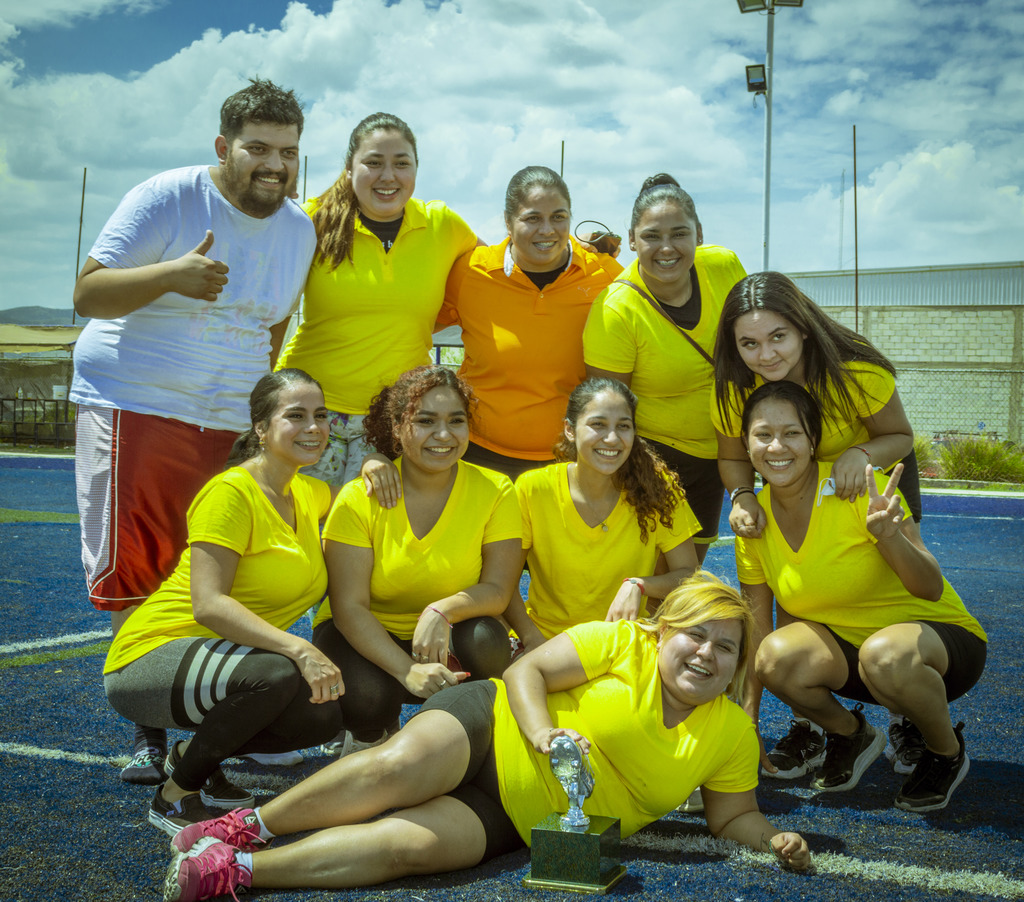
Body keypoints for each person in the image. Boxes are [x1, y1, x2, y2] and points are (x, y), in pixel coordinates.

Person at [162, 572, 812, 900]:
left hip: (521, 817)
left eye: (725, 647)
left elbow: (734, 818)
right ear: (663, 630)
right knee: (395, 768)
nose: (706, 654)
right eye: (696, 634)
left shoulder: (731, 732)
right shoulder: (620, 642)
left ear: (737, 664)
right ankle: (249, 825)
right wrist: (545, 735)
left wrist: (772, 838)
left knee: (407, 851)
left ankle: (235, 872)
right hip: (493, 725)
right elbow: (527, 669)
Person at [70, 78, 317, 784]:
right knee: (141, 570)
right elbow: (87, 292)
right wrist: (171, 274)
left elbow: (272, 330)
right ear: (223, 146)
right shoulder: (169, 196)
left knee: (219, 571)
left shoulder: (298, 229)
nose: (275, 164)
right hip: (138, 402)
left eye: (289, 151)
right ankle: (149, 732)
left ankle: (223, 718)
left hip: (229, 419)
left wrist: (257, 418)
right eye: (259, 148)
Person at [103, 370, 344, 836]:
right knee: (277, 673)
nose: (314, 427)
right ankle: (174, 798)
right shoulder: (231, 493)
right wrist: (301, 648)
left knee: (322, 713)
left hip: (218, 663)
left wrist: (375, 469)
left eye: (321, 416)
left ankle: (188, 760)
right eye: (296, 416)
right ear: (261, 427)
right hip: (151, 656)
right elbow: (208, 606)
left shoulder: (305, 491)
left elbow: (353, 496)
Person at [734, 382, 986, 812]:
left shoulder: (858, 489)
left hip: (934, 651)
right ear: (747, 444)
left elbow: (930, 588)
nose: (777, 446)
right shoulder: (753, 520)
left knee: (884, 654)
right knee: (775, 657)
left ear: (813, 440)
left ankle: (945, 752)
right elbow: (756, 628)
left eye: (792, 433)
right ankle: (853, 735)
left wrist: (890, 537)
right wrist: (746, 718)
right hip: (856, 657)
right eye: (763, 435)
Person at [711, 270, 921, 777]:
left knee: (886, 585)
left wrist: (860, 452)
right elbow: (733, 458)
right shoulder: (732, 390)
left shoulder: (855, 374)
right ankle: (810, 725)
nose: (765, 355)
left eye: (777, 337)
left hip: (863, 486)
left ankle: (907, 714)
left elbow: (900, 435)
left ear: (803, 329)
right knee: (790, 598)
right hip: (789, 494)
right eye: (749, 343)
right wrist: (742, 496)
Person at [308, 366, 522, 753]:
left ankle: (456, 737)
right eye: (425, 421)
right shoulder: (359, 498)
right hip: (366, 630)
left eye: (456, 421)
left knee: (486, 642)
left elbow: (497, 590)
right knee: (366, 695)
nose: (443, 435)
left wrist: (442, 611)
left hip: (449, 630)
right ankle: (371, 732)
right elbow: (349, 608)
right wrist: (407, 671)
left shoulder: (496, 489)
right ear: (395, 426)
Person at [276, 112, 478, 488]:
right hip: (313, 414)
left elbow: (501, 268)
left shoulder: (443, 225)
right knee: (301, 530)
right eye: (373, 163)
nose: (388, 176)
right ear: (350, 168)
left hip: (393, 420)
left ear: (416, 169)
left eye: (401, 163)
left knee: (372, 539)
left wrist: (582, 252)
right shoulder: (312, 221)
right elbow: (265, 305)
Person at [583, 174, 747, 562]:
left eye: (679, 233)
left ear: (699, 234)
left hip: (724, 452)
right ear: (633, 239)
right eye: (652, 236)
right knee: (647, 576)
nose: (667, 248)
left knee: (684, 583)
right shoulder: (615, 310)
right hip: (654, 459)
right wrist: (637, 478)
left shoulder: (724, 266)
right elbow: (608, 410)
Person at [433, 166, 622, 482]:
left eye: (559, 217)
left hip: (570, 461)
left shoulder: (604, 275)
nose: (547, 229)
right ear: (507, 222)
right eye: (533, 218)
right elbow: (412, 321)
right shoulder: (469, 273)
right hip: (478, 457)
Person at [509, 377, 700, 646]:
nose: (612, 438)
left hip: (622, 644)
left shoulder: (658, 489)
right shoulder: (533, 489)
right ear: (570, 429)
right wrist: (531, 639)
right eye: (598, 424)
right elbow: (504, 583)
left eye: (623, 426)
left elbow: (689, 575)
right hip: (547, 641)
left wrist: (639, 584)